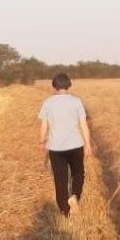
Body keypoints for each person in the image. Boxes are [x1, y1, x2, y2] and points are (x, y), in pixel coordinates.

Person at [38, 73, 92, 217]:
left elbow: (44, 126)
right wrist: (87, 144)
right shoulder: (76, 101)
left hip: (56, 148)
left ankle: (65, 212)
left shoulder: (48, 102)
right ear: (68, 85)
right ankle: (74, 196)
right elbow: (83, 125)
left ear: (54, 86)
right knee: (78, 173)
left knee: (60, 179)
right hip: (75, 145)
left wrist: (42, 142)